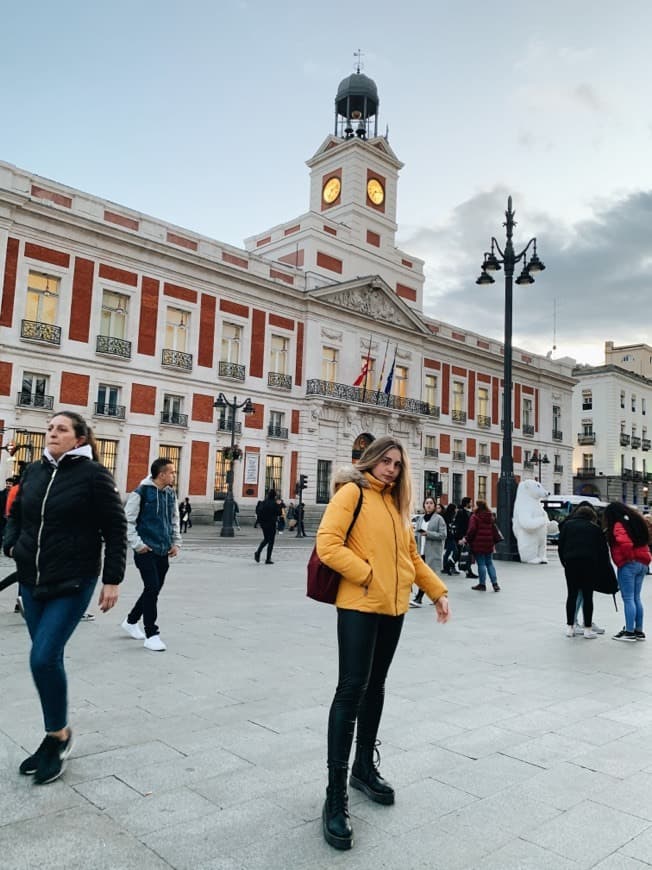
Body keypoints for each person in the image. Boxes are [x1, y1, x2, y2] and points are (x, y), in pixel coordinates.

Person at [316, 435, 450, 850]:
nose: (392, 469)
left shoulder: (395, 505)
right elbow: (327, 545)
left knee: (376, 688)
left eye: (398, 463)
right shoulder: (351, 493)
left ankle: (362, 769)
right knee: (351, 689)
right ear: (371, 460)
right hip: (358, 605)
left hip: (393, 610)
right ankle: (335, 794)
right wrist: (369, 574)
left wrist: (436, 591)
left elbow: (411, 556)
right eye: (386, 461)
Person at [2, 411, 126, 784]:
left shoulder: (93, 476)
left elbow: (115, 528)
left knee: (43, 657)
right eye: (50, 428)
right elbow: (17, 515)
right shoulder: (34, 471)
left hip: (73, 579)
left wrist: (112, 580)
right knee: (45, 660)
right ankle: (55, 733)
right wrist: (11, 545)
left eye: (61, 429)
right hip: (32, 580)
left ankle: (58, 736)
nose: (52, 433)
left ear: (79, 439)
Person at [122, 458, 181, 651]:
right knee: (152, 586)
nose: (174, 475)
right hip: (145, 549)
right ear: (161, 474)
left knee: (153, 589)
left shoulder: (171, 493)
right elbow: (128, 521)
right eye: (171, 472)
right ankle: (151, 633)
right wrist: (138, 544)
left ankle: (131, 621)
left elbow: (174, 519)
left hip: (163, 549)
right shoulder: (141, 492)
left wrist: (175, 542)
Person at [558, 503, 611, 639]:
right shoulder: (595, 528)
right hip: (589, 564)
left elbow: (561, 546)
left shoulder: (567, 526)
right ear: (591, 516)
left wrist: (564, 562)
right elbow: (603, 551)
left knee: (572, 595)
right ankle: (587, 629)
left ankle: (570, 627)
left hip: (571, 563)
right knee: (588, 596)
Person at [603, 502, 651, 642]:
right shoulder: (636, 521)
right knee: (636, 597)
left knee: (628, 598)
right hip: (643, 562)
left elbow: (625, 543)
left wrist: (628, 558)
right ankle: (639, 630)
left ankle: (629, 632)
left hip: (629, 563)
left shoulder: (618, 524)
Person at [412, 499, 447, 606]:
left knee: (426, 576)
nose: (429, 505)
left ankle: (419, 598)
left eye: (431, 503)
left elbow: (443, 535)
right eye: (427, 503)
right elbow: (416, 534)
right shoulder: (421, 519)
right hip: (420, 551)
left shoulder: (439, 519)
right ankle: (440, 596)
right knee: (427, 576)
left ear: (434, 506)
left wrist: (428, 534)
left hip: (432, 551)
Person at [466, 500, 502, 592]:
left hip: (478, 543)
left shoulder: (475, 517)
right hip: (489, 543)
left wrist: (467, 539)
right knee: (489, 563)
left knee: (481, 564)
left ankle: (482, 584)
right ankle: (495, 584)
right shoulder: (490, 516)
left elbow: (472, 530)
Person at [254, 489, 281, 564]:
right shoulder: (274, 504)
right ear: (274, 496)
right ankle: (267, 559)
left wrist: (259, 522)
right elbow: (279, 513)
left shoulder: (263, 502)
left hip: (264, 524)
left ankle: (258, 552)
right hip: (271, 524)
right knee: (271, 541)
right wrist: (279, 505)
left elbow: (258, 512)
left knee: (266, 539)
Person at [455, 497, 478, 578]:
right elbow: (458, 526)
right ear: (467, 503)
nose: (471, 504)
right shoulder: (461, 512)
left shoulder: (471, 513)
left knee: (466, 554)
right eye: (470, 502)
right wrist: (459, 538)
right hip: (462, 537)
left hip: (469, 537)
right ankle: (468, 571)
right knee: (464, 554)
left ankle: (450, 565)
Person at [441, 503, 460, 576]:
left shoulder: (452, 516)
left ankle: (445, 566)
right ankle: (449, 564)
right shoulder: (447, 517)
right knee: (455, 552)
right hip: (449, 537)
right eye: (455, 508)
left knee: (448, 552)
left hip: (450, 536)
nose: (456, 510)